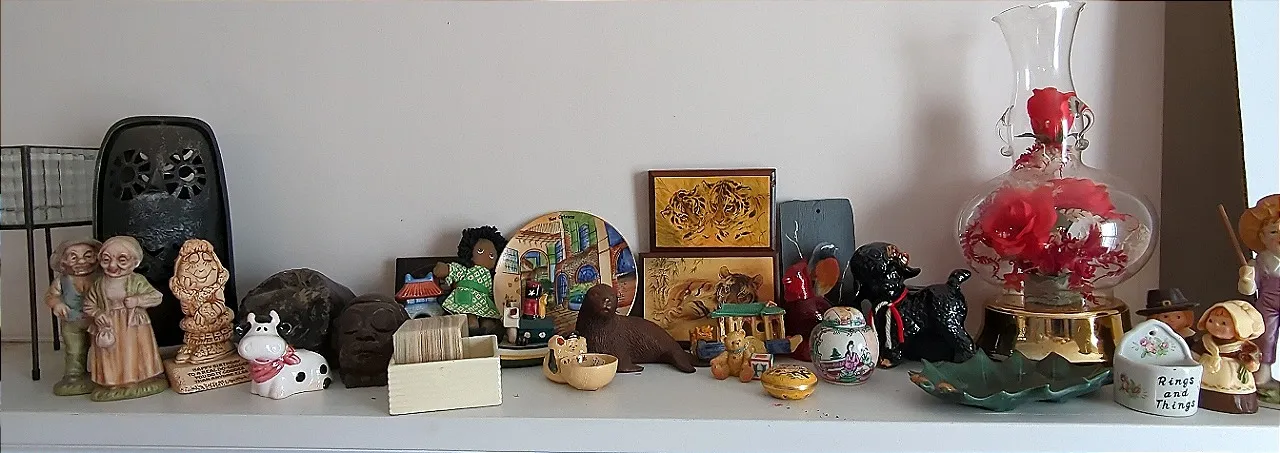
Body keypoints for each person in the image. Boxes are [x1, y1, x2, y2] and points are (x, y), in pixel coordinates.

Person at [83, 236, 168, 402]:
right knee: (110, 355)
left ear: (135, 262)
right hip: (109, 326)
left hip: (132, 325)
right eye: (106, 260)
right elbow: (88, 304)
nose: (112, 266)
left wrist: (138, 300)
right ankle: (112, 382)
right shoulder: (99, 284)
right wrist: (98, 314)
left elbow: (156, 297)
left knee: (131, 352)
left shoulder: (136, 280)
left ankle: (134, 380)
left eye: (121, 260)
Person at [44, 238, 102, 396]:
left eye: (88, 256)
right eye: (74, 257)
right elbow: (50, 296)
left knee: (101, 348)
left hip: (96, 322)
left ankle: (102, 373)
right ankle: (74, 375)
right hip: (72, 323)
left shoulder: (100, 277)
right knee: (74, 350)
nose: (81, 261)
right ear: (63, 261)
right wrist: (57, 304)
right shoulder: (62, 281)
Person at [1237, 194, 1279, 399]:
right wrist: (1246, 279)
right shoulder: (1260, 262)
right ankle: (1262, 375)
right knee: (1265, 337)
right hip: (1268, 305)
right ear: (1262, 237)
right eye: (1273, 232)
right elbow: (1248, 290)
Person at [434, 226, 508, 336]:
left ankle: (488, 331)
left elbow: (494, 291)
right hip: (466, 298)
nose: (487, 256)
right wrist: (445, 269)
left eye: (492, 255)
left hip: (484, 302)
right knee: (469, 319)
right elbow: (454, 270)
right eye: (480, 251)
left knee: (488, 319)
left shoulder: (492, 276)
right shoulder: (466, 270)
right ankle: (473, 332)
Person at [1194, 300, 1264, 414]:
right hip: (1208, 369)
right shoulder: (1206, 341)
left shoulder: (1245, 347)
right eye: (1211, 321)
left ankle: (1234, 403)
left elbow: (1253, 359)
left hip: (1232, 373)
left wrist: (1250, 363)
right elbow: (1195, 354)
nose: (1216, 325)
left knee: (1232, 388)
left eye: (1223, 323)